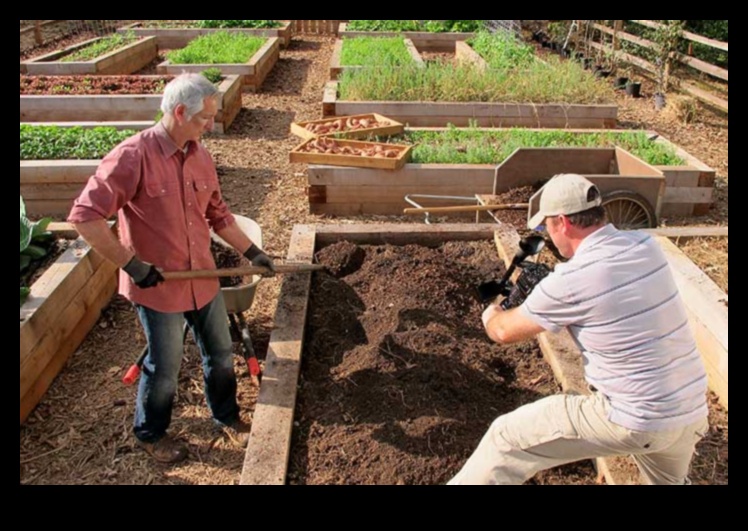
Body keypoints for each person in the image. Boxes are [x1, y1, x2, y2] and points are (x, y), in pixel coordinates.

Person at [68, 73, 275, 464]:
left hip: (203, 279)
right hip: (159, 287)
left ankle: (226, 415)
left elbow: (219, 215)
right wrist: (131, 264)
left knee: (219, 350)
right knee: (164, 367)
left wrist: (253, 253)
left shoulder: (200, 154)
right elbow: (85, 216)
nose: (210, 125)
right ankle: (150, 432)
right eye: (204, 118)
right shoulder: (133, 156)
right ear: (180, 112)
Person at [449, 174, 709, 485]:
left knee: (506, 439)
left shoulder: (572, 280)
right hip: (690, 409)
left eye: (546, 227)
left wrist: (490, 312)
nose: (547, 235)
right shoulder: (645, 246)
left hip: (635, 418)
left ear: (562, 223)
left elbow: (503, 332)